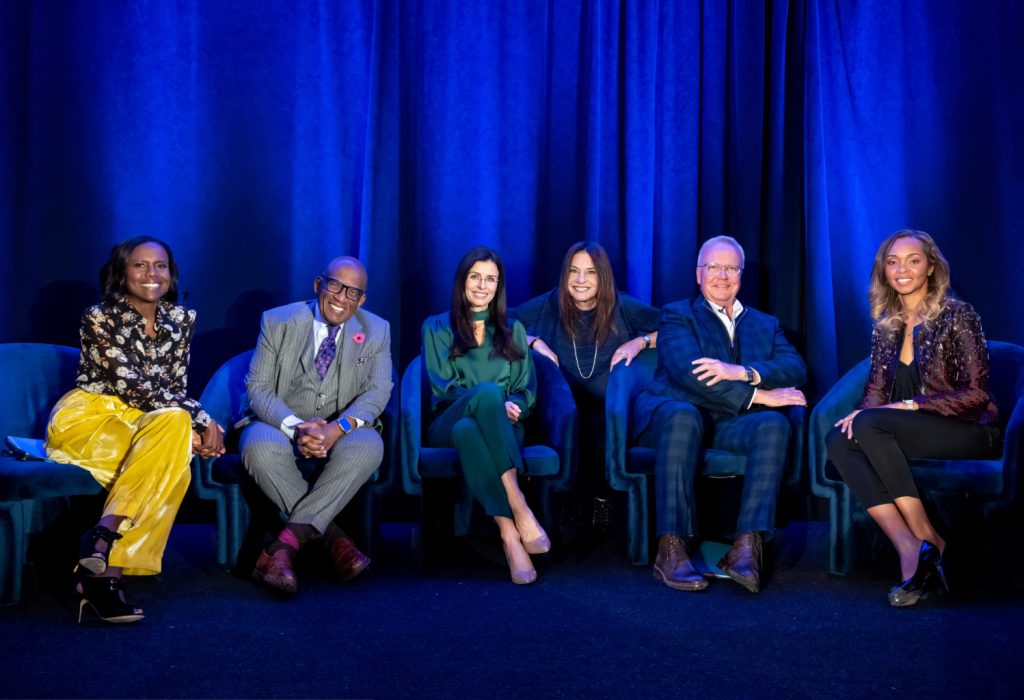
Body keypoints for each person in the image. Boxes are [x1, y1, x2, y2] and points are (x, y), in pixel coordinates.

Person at [46, 236, 225, 623]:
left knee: (173, 426)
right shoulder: (99, 317)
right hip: (90, 417)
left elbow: (173, 389)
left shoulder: (182, 320)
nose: (151, 274)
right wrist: (204, 422)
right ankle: (105, 573)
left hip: (149, 418)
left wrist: (185, 422)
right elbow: (133, 384)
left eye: (159, 266)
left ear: (171, 273)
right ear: (122, 272)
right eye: (139, 265)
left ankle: (103, 548)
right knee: (175, 445)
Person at [826, 230, 999, 606]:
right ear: (883, 271)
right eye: (893, 262)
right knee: (839, 437)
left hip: (967, 428)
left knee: (872, 422)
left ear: (931, 267)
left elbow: (976, 394)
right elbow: (874, 391)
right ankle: (907, 547)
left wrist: (906, 406)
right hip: (906, 429)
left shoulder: (958, 314)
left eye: (913, 260)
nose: (902, 269)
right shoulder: (887, 324)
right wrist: (859, 413)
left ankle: (928, 539)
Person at [634, 235, 807, 593]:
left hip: (727, 421)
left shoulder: (764, 323)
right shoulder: (677, 315)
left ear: (741, 275)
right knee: (685, 415)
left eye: (731, 267)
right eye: (714, 266)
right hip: (673, 415)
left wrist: (743, 373)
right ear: (699, 274)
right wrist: (760, 394)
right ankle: (671, 548)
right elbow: (690, 374)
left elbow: (795, 367)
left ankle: (746, 547)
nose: (722, 275)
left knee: (773, 424)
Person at [240, 256, 393, 595]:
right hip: (279, 422)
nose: (342, 297)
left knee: (370, 445)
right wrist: (298, 428)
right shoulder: (278, 321)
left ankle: (282, 549)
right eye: (336, 285)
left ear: (362, 299)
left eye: (353, 292)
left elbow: (379, 391)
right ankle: (336, 540)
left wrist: (335, 429)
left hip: (340, 426)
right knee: (256, 446)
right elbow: (259, 388)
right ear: (318, 284)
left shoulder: (377, 329)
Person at [511, 241, 659, 530]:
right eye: (574, 271)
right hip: (559, 412)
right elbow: (500, 321)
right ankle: (563, 506)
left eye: (590, 272)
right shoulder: (549, 305)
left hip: (610, 411)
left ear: (602, 276)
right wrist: (532, 340)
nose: (581, 280)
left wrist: (641, 341)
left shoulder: (621, 305)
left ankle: (601, 506)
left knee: (601, 425)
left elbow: (677, 326)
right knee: (565, 422)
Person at [422, 246, 548, 584]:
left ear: (498, 286)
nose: (482, 285)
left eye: (491, 279)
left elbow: (525, 389)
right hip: (446, 421)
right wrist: (490, 400)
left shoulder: (513, 329)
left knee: (469, 430)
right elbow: (443, 390)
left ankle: (508, 535)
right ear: (462, 281)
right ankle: (519, 504)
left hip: (504, 426)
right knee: (483, 401)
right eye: (475, 277)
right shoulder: (435, 327)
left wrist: (515, 406)